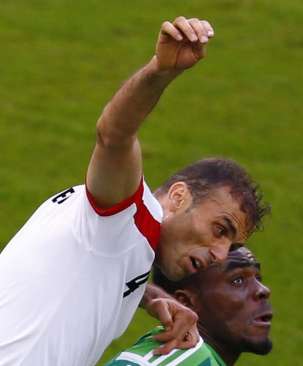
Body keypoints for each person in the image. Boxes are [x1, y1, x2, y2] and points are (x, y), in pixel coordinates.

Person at [0, 16, 269, 365]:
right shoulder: (130, 217)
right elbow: (113, 135)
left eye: (229, 244)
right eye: (220, 229)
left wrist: (153, 298)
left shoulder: (112, 234)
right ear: (178, 196)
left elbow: (99, 267)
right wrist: (159, 71)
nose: (220, 254)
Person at [106, 245, 273, 366]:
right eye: (238, 280)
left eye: (258, 278)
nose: (263, 290)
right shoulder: (176, 358)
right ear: (184, 303)